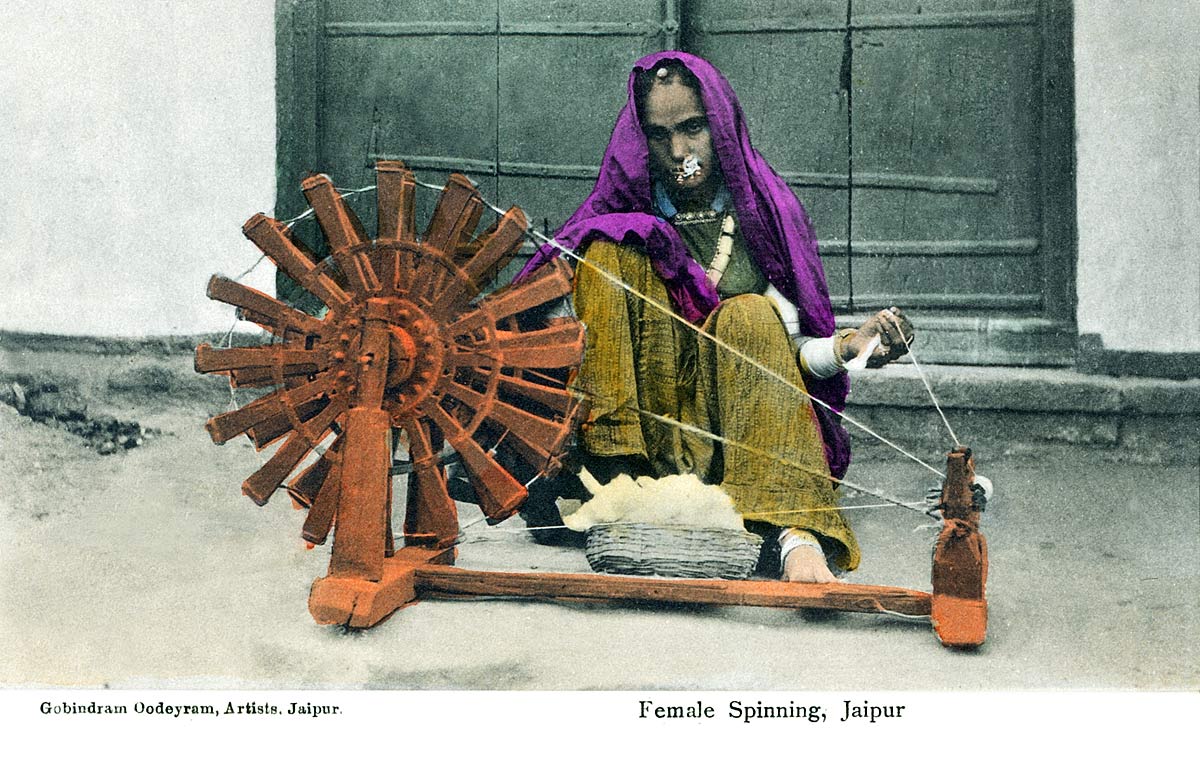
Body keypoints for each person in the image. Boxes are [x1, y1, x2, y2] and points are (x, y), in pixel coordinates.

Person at [514, 51, 913, 583]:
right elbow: (540, 336)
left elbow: (789, 358)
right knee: (608, 248)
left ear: (721, 127)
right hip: (640, 446)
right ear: (640, 143)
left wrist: (850, 348)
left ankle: (792, 532)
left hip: (739, 444)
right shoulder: (624, 212)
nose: (679, 151)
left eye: (693, 128)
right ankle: (619, 490)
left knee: (748, 315)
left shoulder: (765, 217)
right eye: (659, 135)